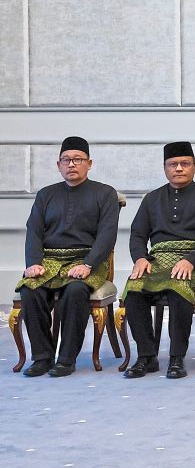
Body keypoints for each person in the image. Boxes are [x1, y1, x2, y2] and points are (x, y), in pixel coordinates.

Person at [17, 136, 120, 377]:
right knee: (30, 290)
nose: (71, 165)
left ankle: (66, 359)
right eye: (66, 160)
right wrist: (33, 263)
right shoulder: (45, 195)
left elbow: (107, 235)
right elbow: (33, 230)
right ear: (58, 165)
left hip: (87, 260)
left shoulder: (104, 194)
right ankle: (42, 357)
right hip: (50, 261)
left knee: (75, 291)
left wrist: (88, 264)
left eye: (77, 159)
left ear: (89, 163)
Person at [122, 142, 195, 379]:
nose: (179, 168)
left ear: (194, 166)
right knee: (133, 289)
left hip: (194, 261)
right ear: (165, 168)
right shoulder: (152, 199)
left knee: (179, 287)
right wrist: (140, 258)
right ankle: (146, 357)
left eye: (184, 164)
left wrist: (190, 260)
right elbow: (137, 234)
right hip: (157, 259)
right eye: (173, 164)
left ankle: (177, 358)